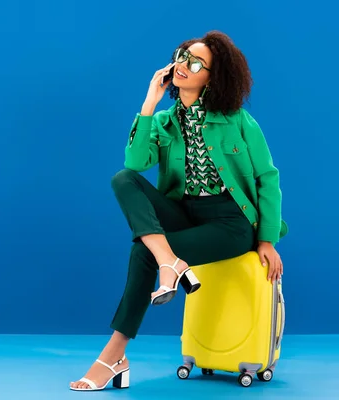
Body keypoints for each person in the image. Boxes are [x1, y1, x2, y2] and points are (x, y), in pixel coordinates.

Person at [69, 30, 287, 392]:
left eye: (196, 62)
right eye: (182, 56)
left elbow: (268, 178)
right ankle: (169, 261)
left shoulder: (237, 120)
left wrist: (266, 240)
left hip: (231, 223)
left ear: (212, 77)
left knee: (142, 250)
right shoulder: (164, 122)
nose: (185, 65)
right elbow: (135, 161)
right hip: (185, 212)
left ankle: (113, 356)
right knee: (123, 179)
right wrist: (149, 103)